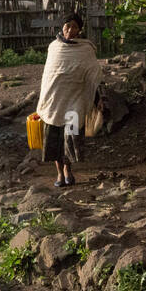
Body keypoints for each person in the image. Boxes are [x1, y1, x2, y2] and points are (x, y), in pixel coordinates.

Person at [36, 12, 101, 188]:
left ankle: (68, 170)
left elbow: (92, 75)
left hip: (75, 100)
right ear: (62, 27)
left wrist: (96, 98)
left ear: (79, 30)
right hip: (54, 102)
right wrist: (42, 102)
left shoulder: (86, 49)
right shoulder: (53, 47)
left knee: (70, 137)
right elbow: (48, 76)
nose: (70, 30)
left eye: (74, 26)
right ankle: (59, 172)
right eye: (67, 26)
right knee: (54, 139)